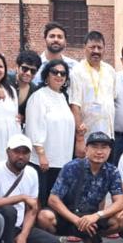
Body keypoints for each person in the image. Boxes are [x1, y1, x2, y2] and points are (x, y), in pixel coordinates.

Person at [38, 132, 123, 243]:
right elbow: (53, 200)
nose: (99, 151)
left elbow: (120, 202)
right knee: (44, 216)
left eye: (104, 147)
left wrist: (97, 215)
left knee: (122, 218)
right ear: (86, 149)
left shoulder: (112, 171)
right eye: (95, 147)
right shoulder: (72, 167)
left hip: (92, 217)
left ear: (110, 150)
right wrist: (77, 220)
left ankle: (89, 241)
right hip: (68, 215)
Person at [25, 58, 76, 209]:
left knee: (57, 200)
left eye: (63, 73)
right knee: (42, 198)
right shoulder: (39, 96)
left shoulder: (63, 97)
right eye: (55, 72)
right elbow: (34, 126)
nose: (59, 75)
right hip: (44, 161)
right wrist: (41, 154)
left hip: (62, 159)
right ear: (47, 75)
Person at [69, 30, 119, 155]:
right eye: (92, 47)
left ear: (104, 49)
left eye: (99, 47)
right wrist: (80, 138)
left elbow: (112, 98)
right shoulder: (77, 71)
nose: (96, 51)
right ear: (84, 48)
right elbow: (74, 104)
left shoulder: (110, 71)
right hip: (88, 135)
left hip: (108, 133)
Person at [14, 50, 41, 123]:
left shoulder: (35, 90)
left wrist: (23, 118)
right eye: (25, 69)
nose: (28, 73)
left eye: (33, 71)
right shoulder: (5, 79)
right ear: (17, 67)